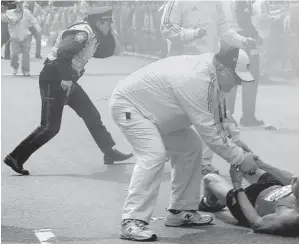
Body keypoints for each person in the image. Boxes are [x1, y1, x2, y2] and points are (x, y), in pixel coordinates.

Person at [110, 45, 258, 241]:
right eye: (236, 77)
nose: (238, 83)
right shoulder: (196, 78)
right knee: (153, 155)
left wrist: (237, 141)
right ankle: (132, 221)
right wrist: (239, 158)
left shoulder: (214, 76)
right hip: (132, 108)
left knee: (191, 147)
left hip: (161, 113)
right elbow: (209, 130)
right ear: (222, 68)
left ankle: (181, 210)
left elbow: (221, 115)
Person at [3, 7, 133, 176]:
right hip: (55, 78)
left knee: (91, 114)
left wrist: (110, 34)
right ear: (100, 22)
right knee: (50, 127)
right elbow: (64, 52)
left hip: (66, 80)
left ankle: (109, 152)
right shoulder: (82, 33)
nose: (110, 26)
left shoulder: (94, 35)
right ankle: (15, 157)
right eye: (108, 23)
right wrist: (66, 78)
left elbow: (106, 52)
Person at [160, 0, 259, 175]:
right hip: (182, 67)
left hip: (208, 66)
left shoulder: (215, 3)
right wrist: (191, 34)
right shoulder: (177, 2)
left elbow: (224, 30)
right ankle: (165, 147)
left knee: (213, 115)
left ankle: (204, 163)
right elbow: (166, 27)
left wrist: (242, 41)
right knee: (178, 114)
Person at [199, 160, 299, 234]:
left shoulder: (288, 217)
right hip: (275, 186)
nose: (294, 177)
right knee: (243, 160)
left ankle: (210, 203)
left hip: (250, 201)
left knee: (209, 178)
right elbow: (289, 180)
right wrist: (259, 162)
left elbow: (256, 223)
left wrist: (237, 186)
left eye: (297, 180)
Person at [7, 2, 41, 76]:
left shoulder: (27, 12)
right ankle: (15, 67)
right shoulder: (10, 13)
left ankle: (25, 70)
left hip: (26, 36)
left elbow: (33, 21)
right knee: (15, 54)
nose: (19, 6)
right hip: (15, 36)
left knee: (26, 54)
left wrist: (38, 28)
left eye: (20, 4)